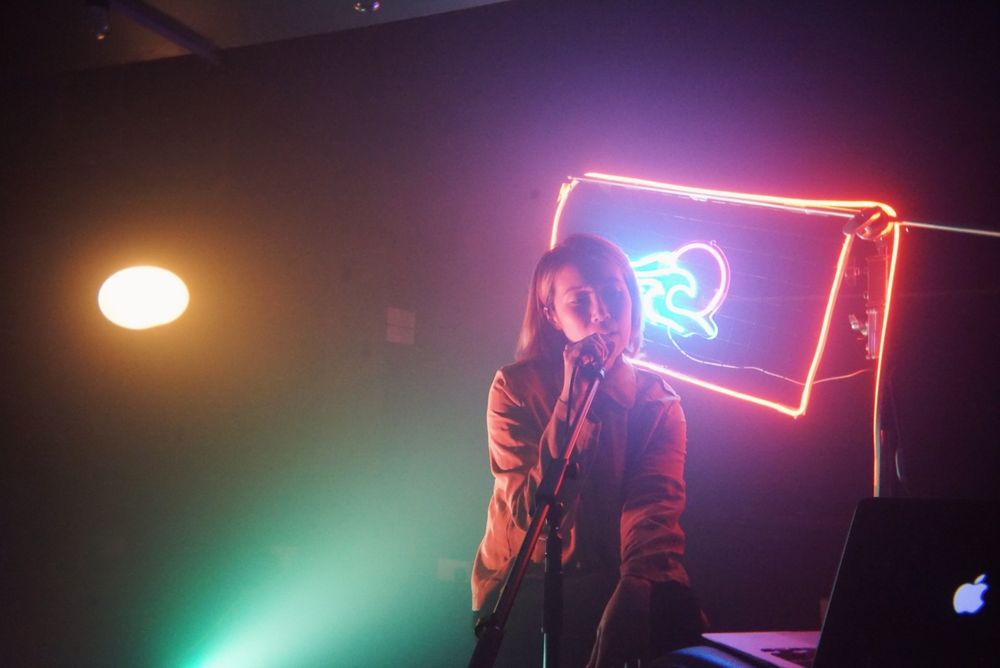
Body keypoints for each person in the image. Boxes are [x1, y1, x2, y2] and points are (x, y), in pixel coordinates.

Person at [471, 234, 704, 667]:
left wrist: (634, 585)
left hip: (612, 580)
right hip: (526, 579)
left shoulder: (657, 403)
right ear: (552, 315)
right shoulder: (516, 388)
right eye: (580, 301)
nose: (602, 314)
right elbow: (532, 515)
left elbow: (654, 507)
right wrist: (573, 402)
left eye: (614, 294)